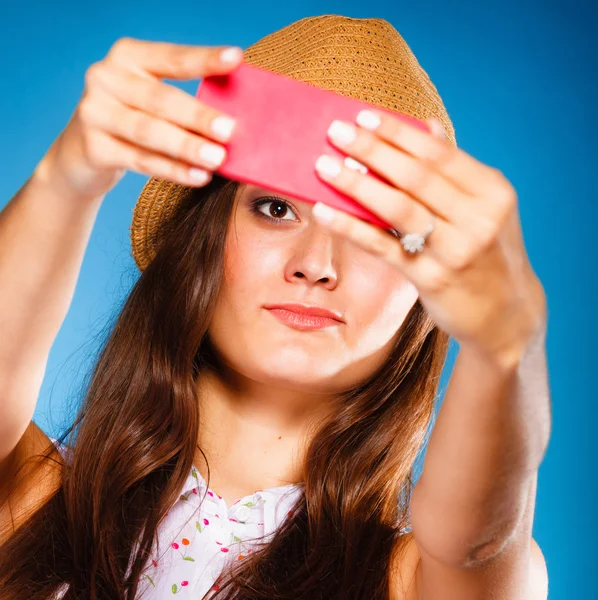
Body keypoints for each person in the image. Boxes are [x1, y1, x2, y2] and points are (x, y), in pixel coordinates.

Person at [0, 14, 550, 600]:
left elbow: (476, 545)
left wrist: (505, 348)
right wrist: (67, 176)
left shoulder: (411, 582)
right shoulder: (33, 496)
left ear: (424, 294)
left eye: (370, 229)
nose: (316, 263)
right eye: (275, 209)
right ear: (204, 239)